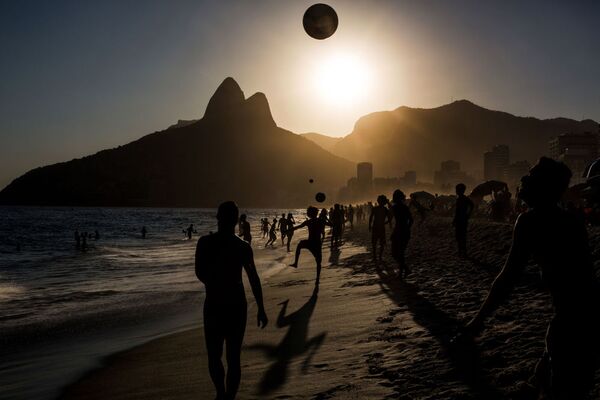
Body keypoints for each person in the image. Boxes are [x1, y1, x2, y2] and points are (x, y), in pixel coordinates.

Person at [463, 158, 599, 399]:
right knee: (551, 373)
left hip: (572, 321)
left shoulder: (530, 221)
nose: (523, 180)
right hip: (582, 315)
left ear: (544, 187)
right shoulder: (570, 221)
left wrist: (478, 321)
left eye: (531, 176)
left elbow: (508, 277)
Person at [195, 201, 268, 400]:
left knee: (214, 355)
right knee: (233, 357)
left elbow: (199, 272)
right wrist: (261, 308)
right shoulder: (242, 247)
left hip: (214, 304)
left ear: (217, 217)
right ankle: (228, 396)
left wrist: (216, 281)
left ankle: (221, 393)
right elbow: (253, 278)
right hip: (237, 304)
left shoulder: (205, 243)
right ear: (236, 220)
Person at [288, 206, 331, 282]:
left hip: (310, 242)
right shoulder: (320, 220)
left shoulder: (309, 221)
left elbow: (297, 227)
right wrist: (327, 219)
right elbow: (332, 225)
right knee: (318, 262)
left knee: (300, 245)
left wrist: (288, 230)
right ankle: (317, 278)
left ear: (309, 214)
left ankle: (296, 263)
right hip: (317, 243)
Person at [390, 190, 413, 278]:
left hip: (399, 231)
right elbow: (411, 220)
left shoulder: (396, 207)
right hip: (404, 231)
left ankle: (404, 270)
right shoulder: (404, 207)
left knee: (395, 253)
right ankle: (404, 270)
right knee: (400, 252)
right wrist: (407, 228)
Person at [453, 183, 474, 257]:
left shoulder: (463, 198)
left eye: (457, 190)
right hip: (462, 219)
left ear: (461, 190)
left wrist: (468, 214)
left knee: (460, 236)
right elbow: (471, 205)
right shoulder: (462, 198)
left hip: (461, 219)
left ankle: (462, 252)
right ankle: (462, 251)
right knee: (460, 236)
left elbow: (471, 205)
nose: (456, 191)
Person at [369, 195, 390, 261]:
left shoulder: (375, 209)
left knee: (374, 243)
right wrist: (386, 222)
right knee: (381, 243)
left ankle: (375, 256)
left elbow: (371, 218)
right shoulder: (385, 209)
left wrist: (369, 225)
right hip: (381, 227)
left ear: (378, 201)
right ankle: (380, 257)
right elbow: (390, 217)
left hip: (375, 227)